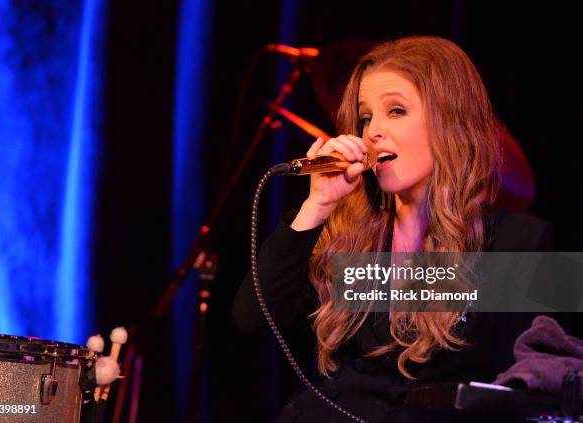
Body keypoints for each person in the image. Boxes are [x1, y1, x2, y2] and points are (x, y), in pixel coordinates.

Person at [233, 35, 554, 422]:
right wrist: (315, 206)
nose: (373, 132)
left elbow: (538, 384)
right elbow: (250, 319)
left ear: (449, 120)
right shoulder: (346, 234)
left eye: (396, 111)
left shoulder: (519, 242)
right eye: (366, 117)